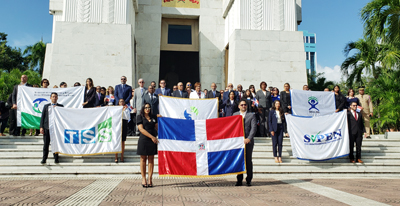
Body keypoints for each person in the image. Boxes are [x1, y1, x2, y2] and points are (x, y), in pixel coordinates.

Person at [233, 100, 257, 186]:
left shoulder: (251, 115)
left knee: (248, 160)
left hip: (248, 142)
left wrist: (249, 138)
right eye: (242, 105)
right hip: (238, 142)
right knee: (239, 160)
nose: (243, 106)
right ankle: (239, 179)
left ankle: (249, 179)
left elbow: (253, 128)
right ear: (239, 106)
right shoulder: (235, 115)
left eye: (245, 105)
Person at [137, 103, 159, 188]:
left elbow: (157, 127)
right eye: (146, 107)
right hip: (144, 140)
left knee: (151, 159)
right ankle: (143, 178)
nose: (147, 109)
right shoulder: (140, 117)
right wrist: (152, 137)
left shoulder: (154, 117)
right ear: (143, 108)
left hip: (152, 141)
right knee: (143, 158)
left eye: (149, 107)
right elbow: (141, 129)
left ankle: (150, 178)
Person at [40, 92, 63, 164]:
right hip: (47, 128)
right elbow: (42, 117)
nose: (54, 98)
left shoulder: (61, 106)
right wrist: (41, 127)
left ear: (57, 98)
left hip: (56, 129)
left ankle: (56, 158)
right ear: (50, 98)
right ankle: (44, 158)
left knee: (55, 144)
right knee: (46, 144)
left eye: (55, 97)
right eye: (53, 96)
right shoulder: (46, 106)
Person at [115, 99, 130, 163]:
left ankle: (122, 156)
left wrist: (123, 111)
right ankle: (116, 157)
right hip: (117, 125)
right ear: (118, 102)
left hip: (124, 124)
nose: (121, 102)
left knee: (122, 141)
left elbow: (128, 118)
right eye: (120, 101)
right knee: (116, 141)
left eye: (122, 101)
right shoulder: (115, 109)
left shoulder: (126, 109)